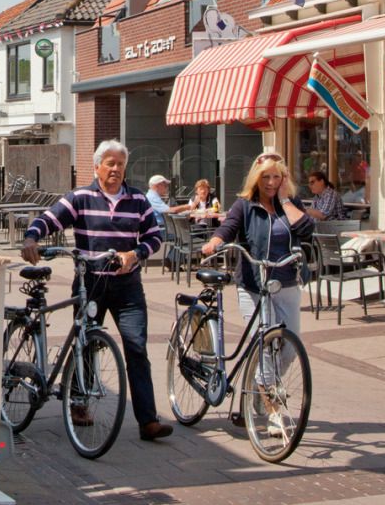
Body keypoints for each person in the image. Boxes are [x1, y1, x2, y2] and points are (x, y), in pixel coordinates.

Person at [21, 140, 174, 442]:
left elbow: (156, 236)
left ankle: (148, 420)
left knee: (137, 348)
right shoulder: (81, 197)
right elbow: (49, 218)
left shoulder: (138, 200)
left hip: (127, 285)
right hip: (90, 282)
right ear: (97, 167)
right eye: (110, 163)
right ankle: (79, 403)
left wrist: (137, 253)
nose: (116, 169)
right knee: (85, 343)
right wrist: (31, 237)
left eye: (120, 164)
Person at [200, 154, 315, 428]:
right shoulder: (245, 205)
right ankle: (272, 409)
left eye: (277, 176)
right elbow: (228, 227)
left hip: (287, 280)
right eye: (266, 177)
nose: (271, 182)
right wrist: (215, 241)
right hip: (253, 283)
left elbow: (308, 229)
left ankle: (255, 390)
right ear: (256, 178)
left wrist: (286, 200)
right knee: (264, 343)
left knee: (289, 346)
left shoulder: (291, 204)